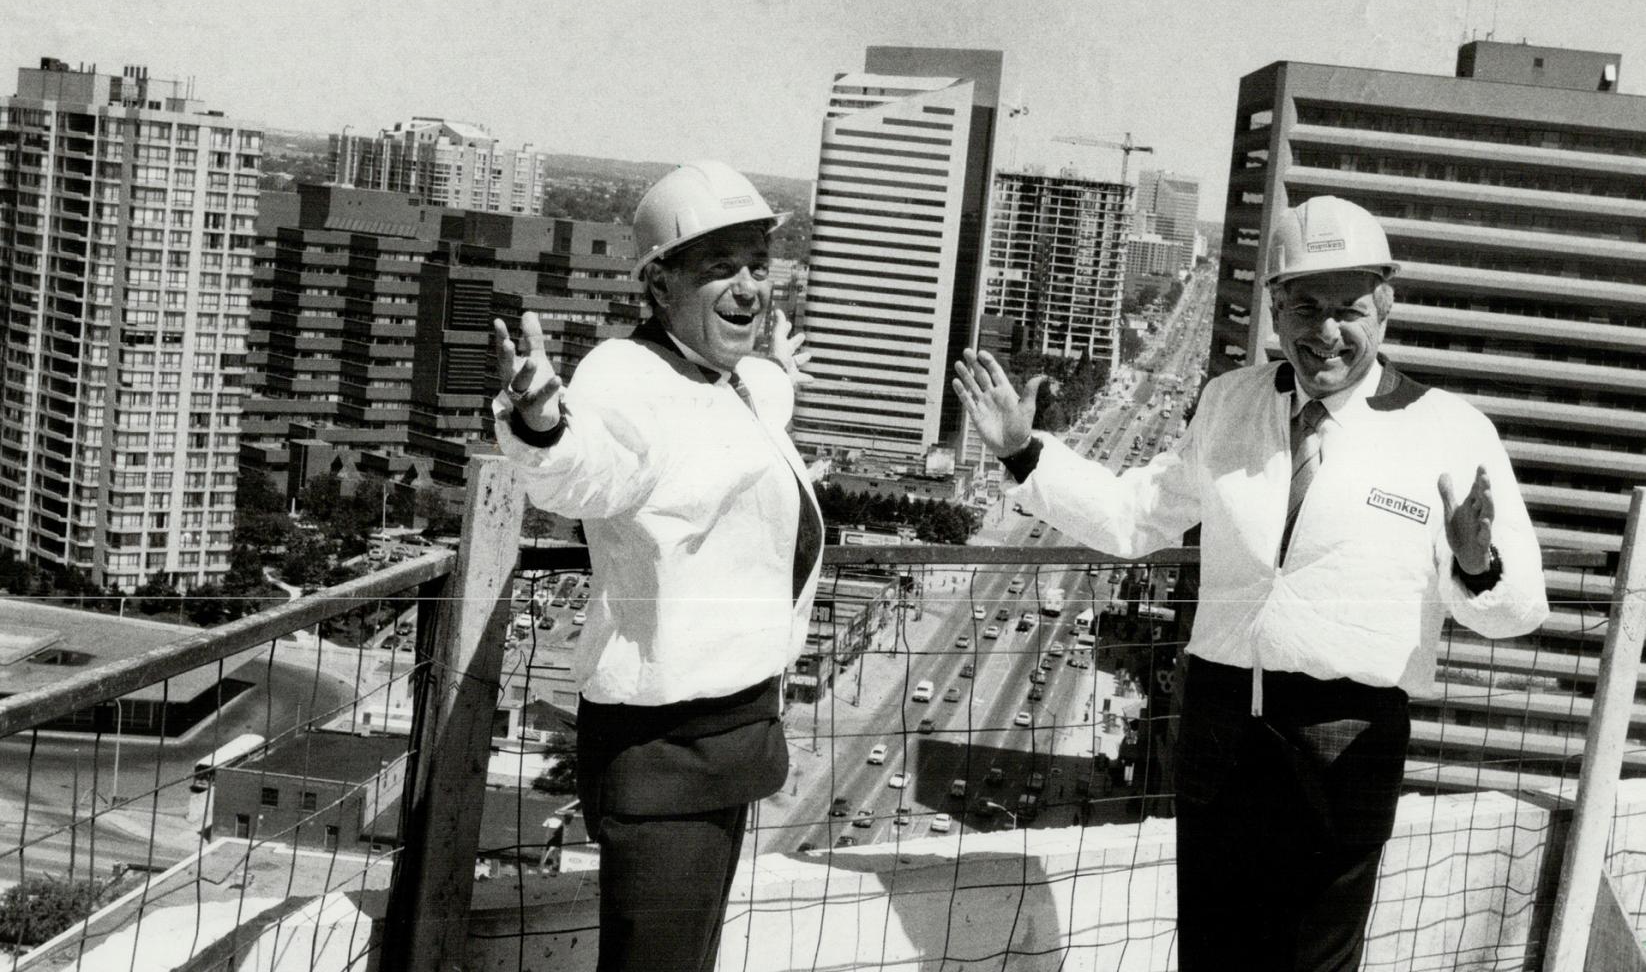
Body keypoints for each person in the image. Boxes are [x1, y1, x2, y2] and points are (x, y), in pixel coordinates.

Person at [953, 195, 1548, 971]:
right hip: (1221, 722)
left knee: (1315, 960)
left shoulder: (1449, 429)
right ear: (1274, 310)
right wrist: (1026, 454)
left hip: (1348, 735)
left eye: (1349, 309)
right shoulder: (1231, 403)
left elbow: (1518, 609)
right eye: (1305, 306)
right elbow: (1138, 517)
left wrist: (1476, 565)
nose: (1325, 331)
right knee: (1210, 952)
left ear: (1388, 307)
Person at [491, 160, 822, 972]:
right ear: (659, 281)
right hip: (667, 753)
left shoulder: (728, 378)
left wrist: (781, 367)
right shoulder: (625, 377)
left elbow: (739, 416)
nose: (749, 287)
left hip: (728, 740)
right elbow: (594, 465)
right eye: (720, 268)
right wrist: (541, 422)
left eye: (757, 263)